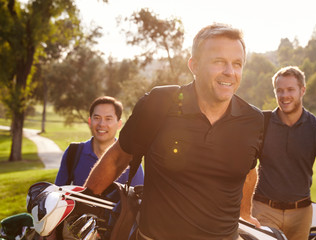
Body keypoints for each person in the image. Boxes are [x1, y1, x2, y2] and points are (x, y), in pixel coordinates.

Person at [84, 23, 264, 240]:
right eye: (219, 62)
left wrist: (245, 212)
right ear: (194, 65)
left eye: (237, 64)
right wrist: (84, 205)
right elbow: (117, 158)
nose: (230, 72)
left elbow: (248, 170)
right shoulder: (158, 103)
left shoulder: (253, 120)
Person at [251, 66, 316, 240]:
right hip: (264, 209)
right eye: (280, 91)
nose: (285, 96)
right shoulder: (262, 123)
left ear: (302, 90)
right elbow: (244, 168)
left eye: (290, 89)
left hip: (302, 214)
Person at [55, 96, 144, 187]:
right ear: (90, 121)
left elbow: (139, 199)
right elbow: (57, 194)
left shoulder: (130, 160)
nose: (101, 124)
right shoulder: (73, 152)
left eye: (108, 119)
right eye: (97, 118)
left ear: (119, 124)